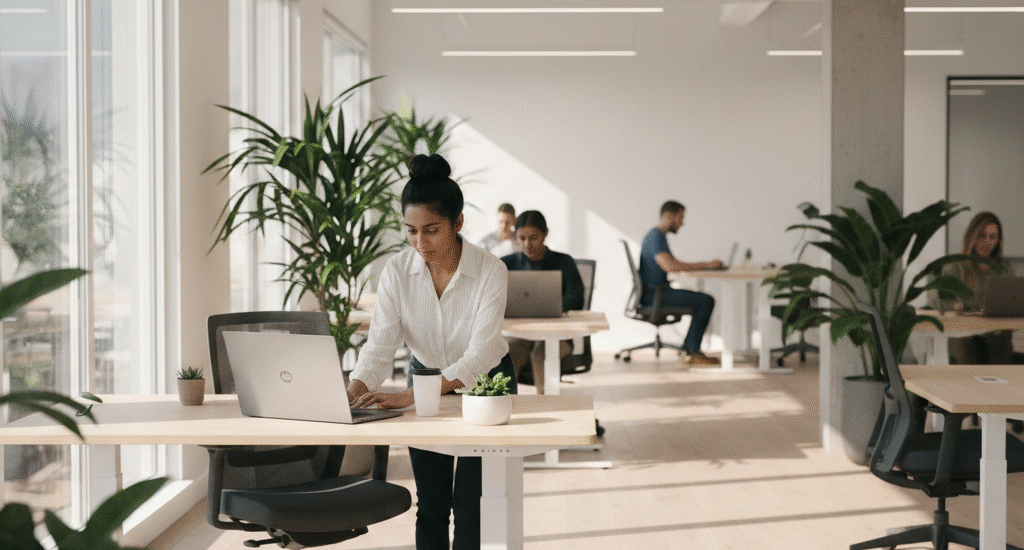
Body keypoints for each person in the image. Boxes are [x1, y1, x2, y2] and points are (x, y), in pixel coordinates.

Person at [347, 153, 516, 550]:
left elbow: (480, 355)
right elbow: (379, 346)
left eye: (431, 230)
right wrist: (352, 392)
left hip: (485, 387)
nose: (420, 243)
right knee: (432, 503)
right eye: (411, 231)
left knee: (473, 505)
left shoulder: (491, 270)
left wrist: (409, 395)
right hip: (424, 378)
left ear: (458, 223)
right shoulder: (396, 272)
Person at [500, 210, 585, 394]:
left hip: (557, 335)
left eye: (533, 238)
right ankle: (504, 404)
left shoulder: (564, 262)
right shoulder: (505, 264)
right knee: (506, 356)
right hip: (520, 335)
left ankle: (546, 405)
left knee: (542, 355)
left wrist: (550, 306)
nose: (527, 244)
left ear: (545, 234)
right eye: (522, 238)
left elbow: (577, 298)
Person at [639, 201, 722, 366]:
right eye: (681, 217)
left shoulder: (657, 236)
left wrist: (706, 266)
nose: (682, 223)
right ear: (668, 215)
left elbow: (671, 263)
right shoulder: (655, 236)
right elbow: (670, 266)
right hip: (656, 296)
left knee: (703, 300)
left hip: (657, 293)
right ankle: (692, 352)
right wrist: (707, 265)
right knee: (706, 301)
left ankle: (690, 350)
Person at [941, 211, 1016, 365]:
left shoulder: (1004, 268)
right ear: (971, 237)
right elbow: (937, 298)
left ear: (999, 241)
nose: (987, 242)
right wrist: (958, 306)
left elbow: (1012, 301)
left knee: (1000, 347)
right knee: (966, 351)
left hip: (996, 333)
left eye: (992, 237)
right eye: (982, 236)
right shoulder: (955, 266)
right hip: (964, 332)